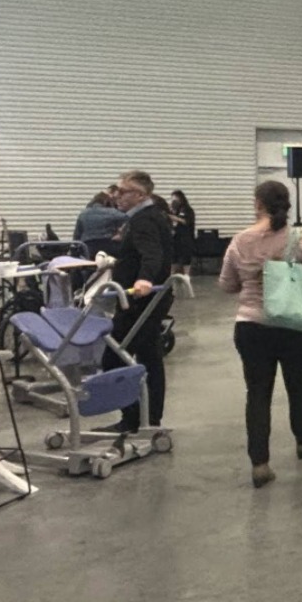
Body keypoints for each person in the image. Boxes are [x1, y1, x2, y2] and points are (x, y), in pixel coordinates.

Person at [219, 180, 302, 488]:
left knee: (257, 393)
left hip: (252, 326)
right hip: (296, 326)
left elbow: (227, 285)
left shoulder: (240, 241)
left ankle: (260, 464)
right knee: (298, 385)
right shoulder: (301, 238)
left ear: (258, 204)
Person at [102, 170, 174, 433]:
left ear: (140, 195)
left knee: (115, 355)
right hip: (148, 299)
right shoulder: (148, 217)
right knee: (148, 357)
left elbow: (152, 255)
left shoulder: (144, 220)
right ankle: (147, 420)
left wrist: (143, 279)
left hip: (141, 300)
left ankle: (135, 419)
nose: (117, 196)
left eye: (123, 191)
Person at [72, 192, 128, 258]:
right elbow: (128, 219)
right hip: (110, 246)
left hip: (88, 247)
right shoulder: (113, 212)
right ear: (106, 201)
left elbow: (77, 235)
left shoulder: (83, 213)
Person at [168, 190, 196, 277]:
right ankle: (171, 275)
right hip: (175, 237)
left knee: (185, 257)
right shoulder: (174, 210)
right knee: (174, 257)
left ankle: (187, 275)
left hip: (185, 237)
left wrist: (174, 217)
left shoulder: (187, 209)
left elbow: (185, 221)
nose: (173, 201)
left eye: (175, 198)